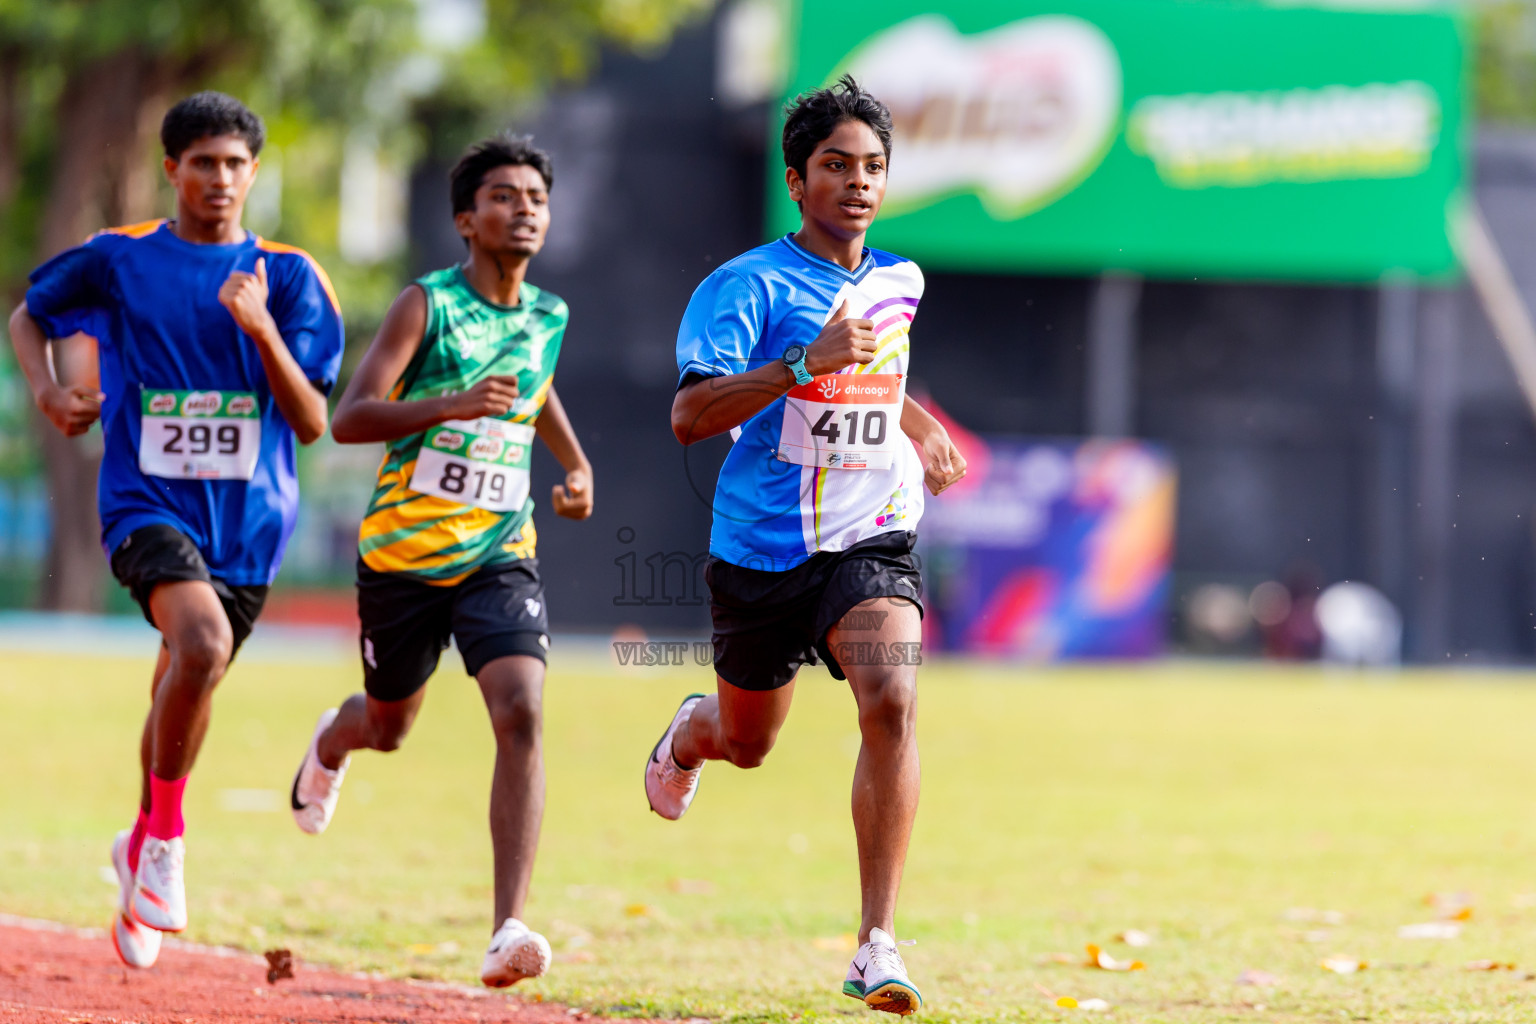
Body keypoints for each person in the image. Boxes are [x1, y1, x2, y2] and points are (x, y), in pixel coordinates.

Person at [643, 74, 966, 1016]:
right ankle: (690, 734)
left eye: (873, 167)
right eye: (836, 166)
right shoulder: (742, 287)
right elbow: (690, 414)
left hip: (871, 537)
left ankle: (876, 942)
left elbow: (878, 366)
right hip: (760, 549)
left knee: (893, 697)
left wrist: (918, 422)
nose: (857, 183)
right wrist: (798, 365)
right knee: (749, 742)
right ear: (797, 179)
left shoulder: (900, 279)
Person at [7, 92, 344, 970]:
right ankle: (164, 845)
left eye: (235, 164)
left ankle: (141, 838)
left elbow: (311, 420)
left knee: (184, 677)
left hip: (248, 530)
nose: (220, 179)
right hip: (145, 503)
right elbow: (30, 314)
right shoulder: (121, 262)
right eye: (203, 163)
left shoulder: (295, 278)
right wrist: (48, 393)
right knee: (198, 647)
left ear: (255, 174)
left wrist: (261, 325)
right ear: (173, 171)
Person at [288, 134, 594, 989]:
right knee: (390, 725)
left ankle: (508, 928)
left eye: (535, 195)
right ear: (466, 219)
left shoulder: (550, 315)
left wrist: (574, 462)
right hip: (404, 557)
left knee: (522, 710)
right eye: (503, 195)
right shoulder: (426, 306)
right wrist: (454, 402)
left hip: (501, 548)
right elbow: (351, 417)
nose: (523, 207)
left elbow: (536, 389)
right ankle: (334, 741)